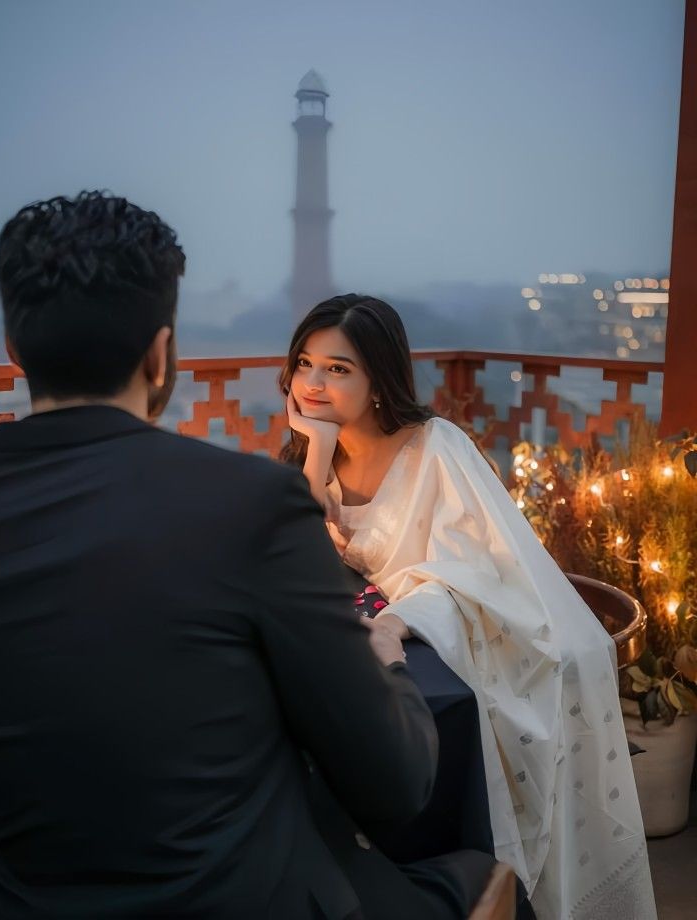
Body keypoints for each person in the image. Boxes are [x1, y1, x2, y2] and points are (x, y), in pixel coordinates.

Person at [0, 193, 498, 919]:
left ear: (15, 353)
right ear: (160, 354)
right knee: (481, 878)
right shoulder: (248, 505)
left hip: (9, 896)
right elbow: (396, 785)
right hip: (234, 898)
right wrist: (394, 661)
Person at [280, 293, 658, 920]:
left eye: (338, 368)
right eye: (304, 363)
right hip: (389, 627)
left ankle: (458, 880)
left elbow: (474, 572)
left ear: (378, 378)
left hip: (481, 629)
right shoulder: (317, 450)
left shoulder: (436, 448)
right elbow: (295, 552)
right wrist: (317, 452)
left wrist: (397, 622)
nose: (313, 383)